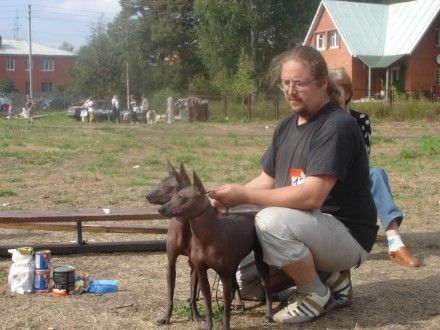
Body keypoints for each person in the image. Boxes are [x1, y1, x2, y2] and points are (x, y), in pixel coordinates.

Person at [210, 45, 378, 325]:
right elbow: (267, 180)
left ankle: (314, 294)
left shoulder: (335, 126)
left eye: (299, 83)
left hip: (346, 232)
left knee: (270, 221)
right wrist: (227, 197)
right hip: (310, 229)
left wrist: (243, 195)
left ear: (323, 82)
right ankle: (332, 279)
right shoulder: (287, 125)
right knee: (247, 283)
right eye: (285, 83)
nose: (290, 91)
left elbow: (312, 196)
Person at [328, 67, 420, 267]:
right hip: (326, 177)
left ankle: (395, 243)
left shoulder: (360, 120)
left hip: (352, 175)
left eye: (336, 91)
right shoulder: (320, 120)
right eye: (328, 92)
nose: (332, 97)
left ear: (348, 94)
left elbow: (363, 157)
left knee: (376, 173)